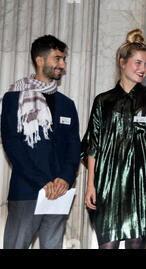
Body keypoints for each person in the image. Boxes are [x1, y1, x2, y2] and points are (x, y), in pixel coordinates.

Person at [81, 29, 146, 249]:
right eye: (138, 63)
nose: (143, 69)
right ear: (122, 62)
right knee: (108, 243)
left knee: (136, 241)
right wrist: (90, 184)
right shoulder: (103, 101)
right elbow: (93, 144)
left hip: (141, 181)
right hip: (108, 182)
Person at [1, 35, 81, 249]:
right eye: (58, 59)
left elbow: (74, 146)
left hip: (59, 193)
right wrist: (42, 181)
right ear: (40, 60)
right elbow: (12, 144)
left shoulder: (67, 104)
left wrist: (64, 179)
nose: (62, 65)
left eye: (64, 59)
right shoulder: (14, 97)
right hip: (27, 190)